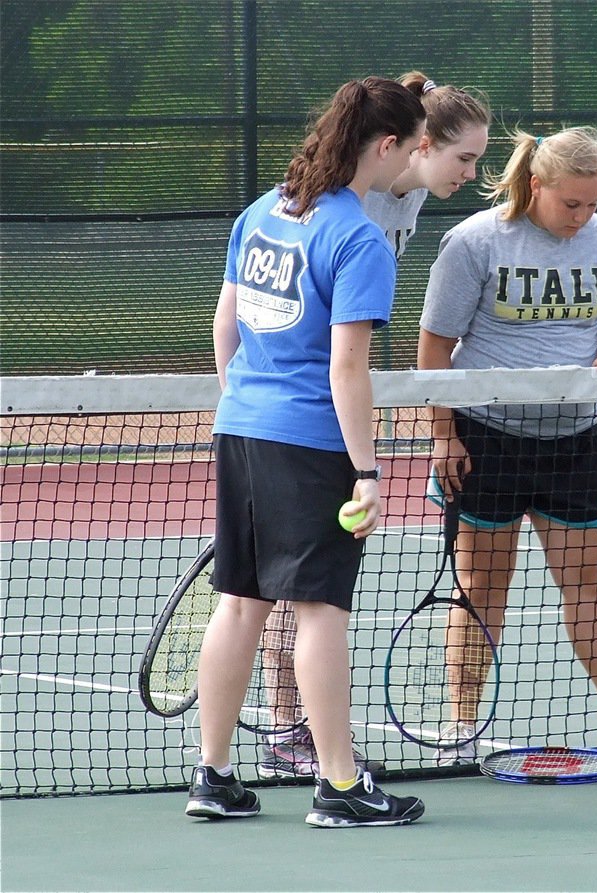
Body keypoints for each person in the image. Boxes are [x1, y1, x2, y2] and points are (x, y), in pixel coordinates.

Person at [185, 76, 429, 828]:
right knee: (322, 608)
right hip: (313, 444)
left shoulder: (263, 210)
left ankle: (214, 778)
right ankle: (340, 785)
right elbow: (347, 368)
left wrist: (246, 402)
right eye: (414, 146)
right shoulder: (358, 236)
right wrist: (367, 470)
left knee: (241, 602)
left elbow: (224, 326)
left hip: (243, 427)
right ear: (384, 146)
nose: (415, 161)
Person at [256, 71, 491, 780]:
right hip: (298, 405)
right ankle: (287, 729)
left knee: (289, 590)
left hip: (322, 396)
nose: (472, 174)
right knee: (294, 593)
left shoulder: (411, 193)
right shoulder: (330, 204)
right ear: (415, 145)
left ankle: (287, 738)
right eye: (463, 158)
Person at [418, 125, 597, 764]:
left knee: (588, 589)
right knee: (480, 591)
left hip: (574, 441)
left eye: (593, 203)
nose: (582, 217)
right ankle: (459, 732)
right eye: (570, 203)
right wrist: (444, 436)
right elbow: (435, 349)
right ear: (535, 185)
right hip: (485, 440)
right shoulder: (472, 242)